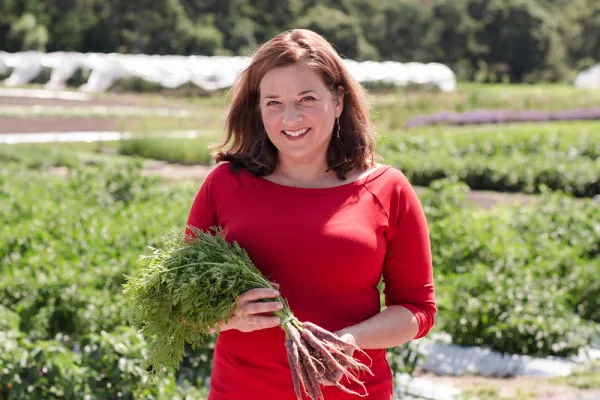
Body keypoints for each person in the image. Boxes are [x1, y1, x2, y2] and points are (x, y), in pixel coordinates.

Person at [185, 28, 436, 400]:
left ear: (337, 100)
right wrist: (227, 318)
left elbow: (417, 310)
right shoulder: (224, 185)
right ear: (257, 108)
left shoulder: (388, 190)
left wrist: (353, 339)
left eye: (306, 99)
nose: (290, 117)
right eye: (273, 102)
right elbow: (180, 305)